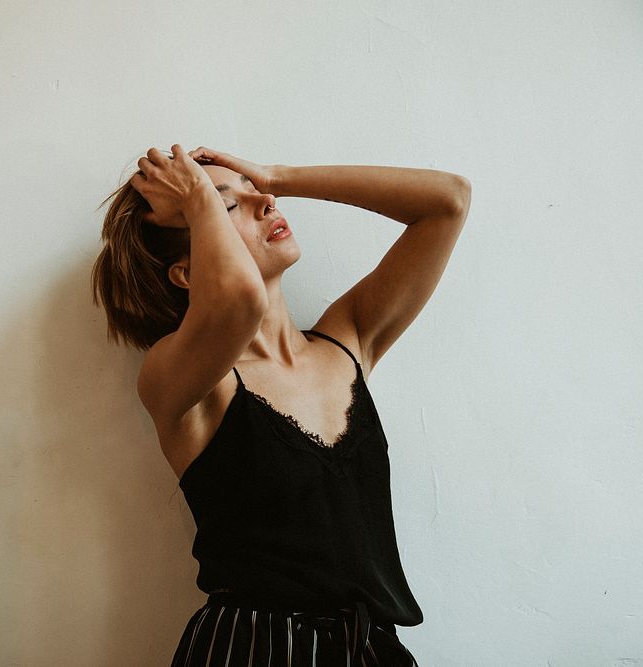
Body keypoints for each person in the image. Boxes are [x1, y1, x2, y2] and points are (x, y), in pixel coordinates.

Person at [91, 144, 471, 666]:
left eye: (257, 194)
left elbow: (447, 201)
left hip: (370, 651)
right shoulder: (184, 382)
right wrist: (201, 195)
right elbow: (237, 301)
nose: (265, 202)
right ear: (184, 273)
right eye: (229, 206)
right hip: (249, 651)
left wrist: (277, 175)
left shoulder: (348, 341)